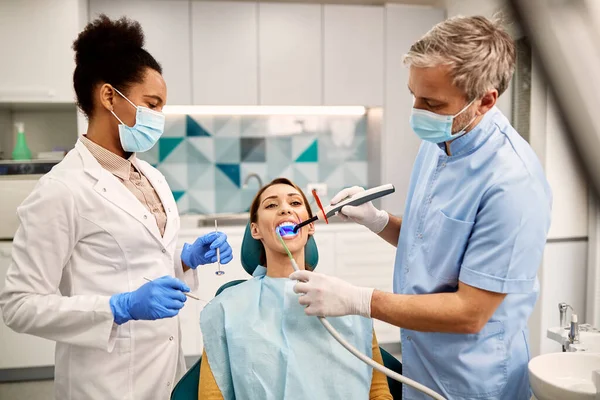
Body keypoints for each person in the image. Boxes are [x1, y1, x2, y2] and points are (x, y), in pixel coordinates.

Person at [291, 15, 552, 400]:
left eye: (431, 102)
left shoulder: (513, 183)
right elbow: (433, 246)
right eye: (413, 95)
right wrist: (378, 221)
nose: (417, 110)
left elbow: (470, 312)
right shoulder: (440, 142)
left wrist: (359, 300)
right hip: (422, 366)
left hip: (472, 382)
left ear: (485, 100)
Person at [0, 16, 233, 400]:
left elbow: (133, 263)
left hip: (162, 368)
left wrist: (185, 260)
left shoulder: (151, 177)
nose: (158, 117)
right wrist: (118, 308)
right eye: (152, 104)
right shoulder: (62, 189)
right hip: (104, 382)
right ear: (109, 97)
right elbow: (19, 305)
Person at [199, 178, 392, 400]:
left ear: (311, 225)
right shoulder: (227, 309)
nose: (284, 209)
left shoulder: (348, 301)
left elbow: (378, 392)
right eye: (271, 205)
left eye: (295, 203)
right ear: (255, 230)